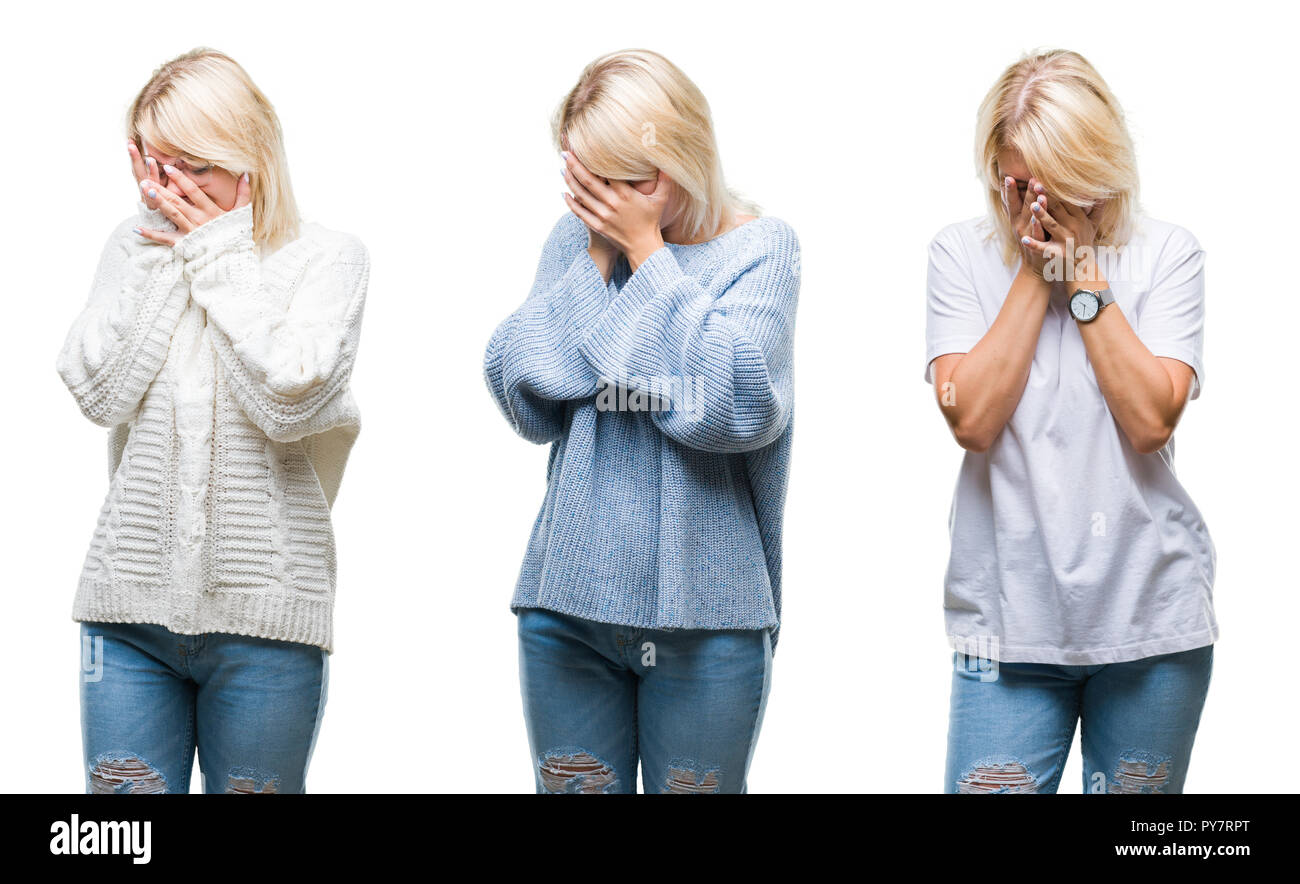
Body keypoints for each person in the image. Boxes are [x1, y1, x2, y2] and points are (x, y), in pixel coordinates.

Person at [484, 49, 800, 793]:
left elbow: (736, 403)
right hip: (565, 607)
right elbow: (521, 389)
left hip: (709, 619)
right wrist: (597, 258)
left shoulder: (762, 249)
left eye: (615, 179)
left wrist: (650, 255)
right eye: (583, 181)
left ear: (669, 163)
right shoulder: (577, 243)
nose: (597, 201)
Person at [57, 48, 369, 794]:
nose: (170, 190)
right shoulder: (134, 250)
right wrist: (169, 255)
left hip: (267, 627)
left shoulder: (328, 259)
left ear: (248, 157)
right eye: (155, 166)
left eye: (192, 165)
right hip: (126, 619)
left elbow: (289, 400)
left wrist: (219, 256)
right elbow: (99, 391)